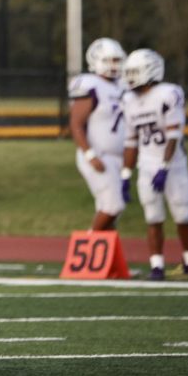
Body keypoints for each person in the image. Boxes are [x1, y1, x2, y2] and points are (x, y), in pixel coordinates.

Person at [120, 48, 188, 282]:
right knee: (153, 217)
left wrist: (164, 167)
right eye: (128, 72)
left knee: (183, 215)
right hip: (146, 164)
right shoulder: (129, 100)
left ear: (150, 71)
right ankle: (157, 266)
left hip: (174, 165)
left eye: (135, 72)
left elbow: (174, 136)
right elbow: (131, 141)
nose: (130, 77)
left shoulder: (168, 93)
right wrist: (125, 174)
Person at [68, 37, 128, 232]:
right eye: (109, 60)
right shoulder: (89, 84)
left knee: (110, 211)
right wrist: (90, 154)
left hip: (117, 157)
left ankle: (106, 261)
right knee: (113, 207)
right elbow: (76, 124)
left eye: (117, 60)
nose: (113, 65)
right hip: (97, 154)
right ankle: (89, 244)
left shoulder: (123, 85)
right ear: (95, 60)